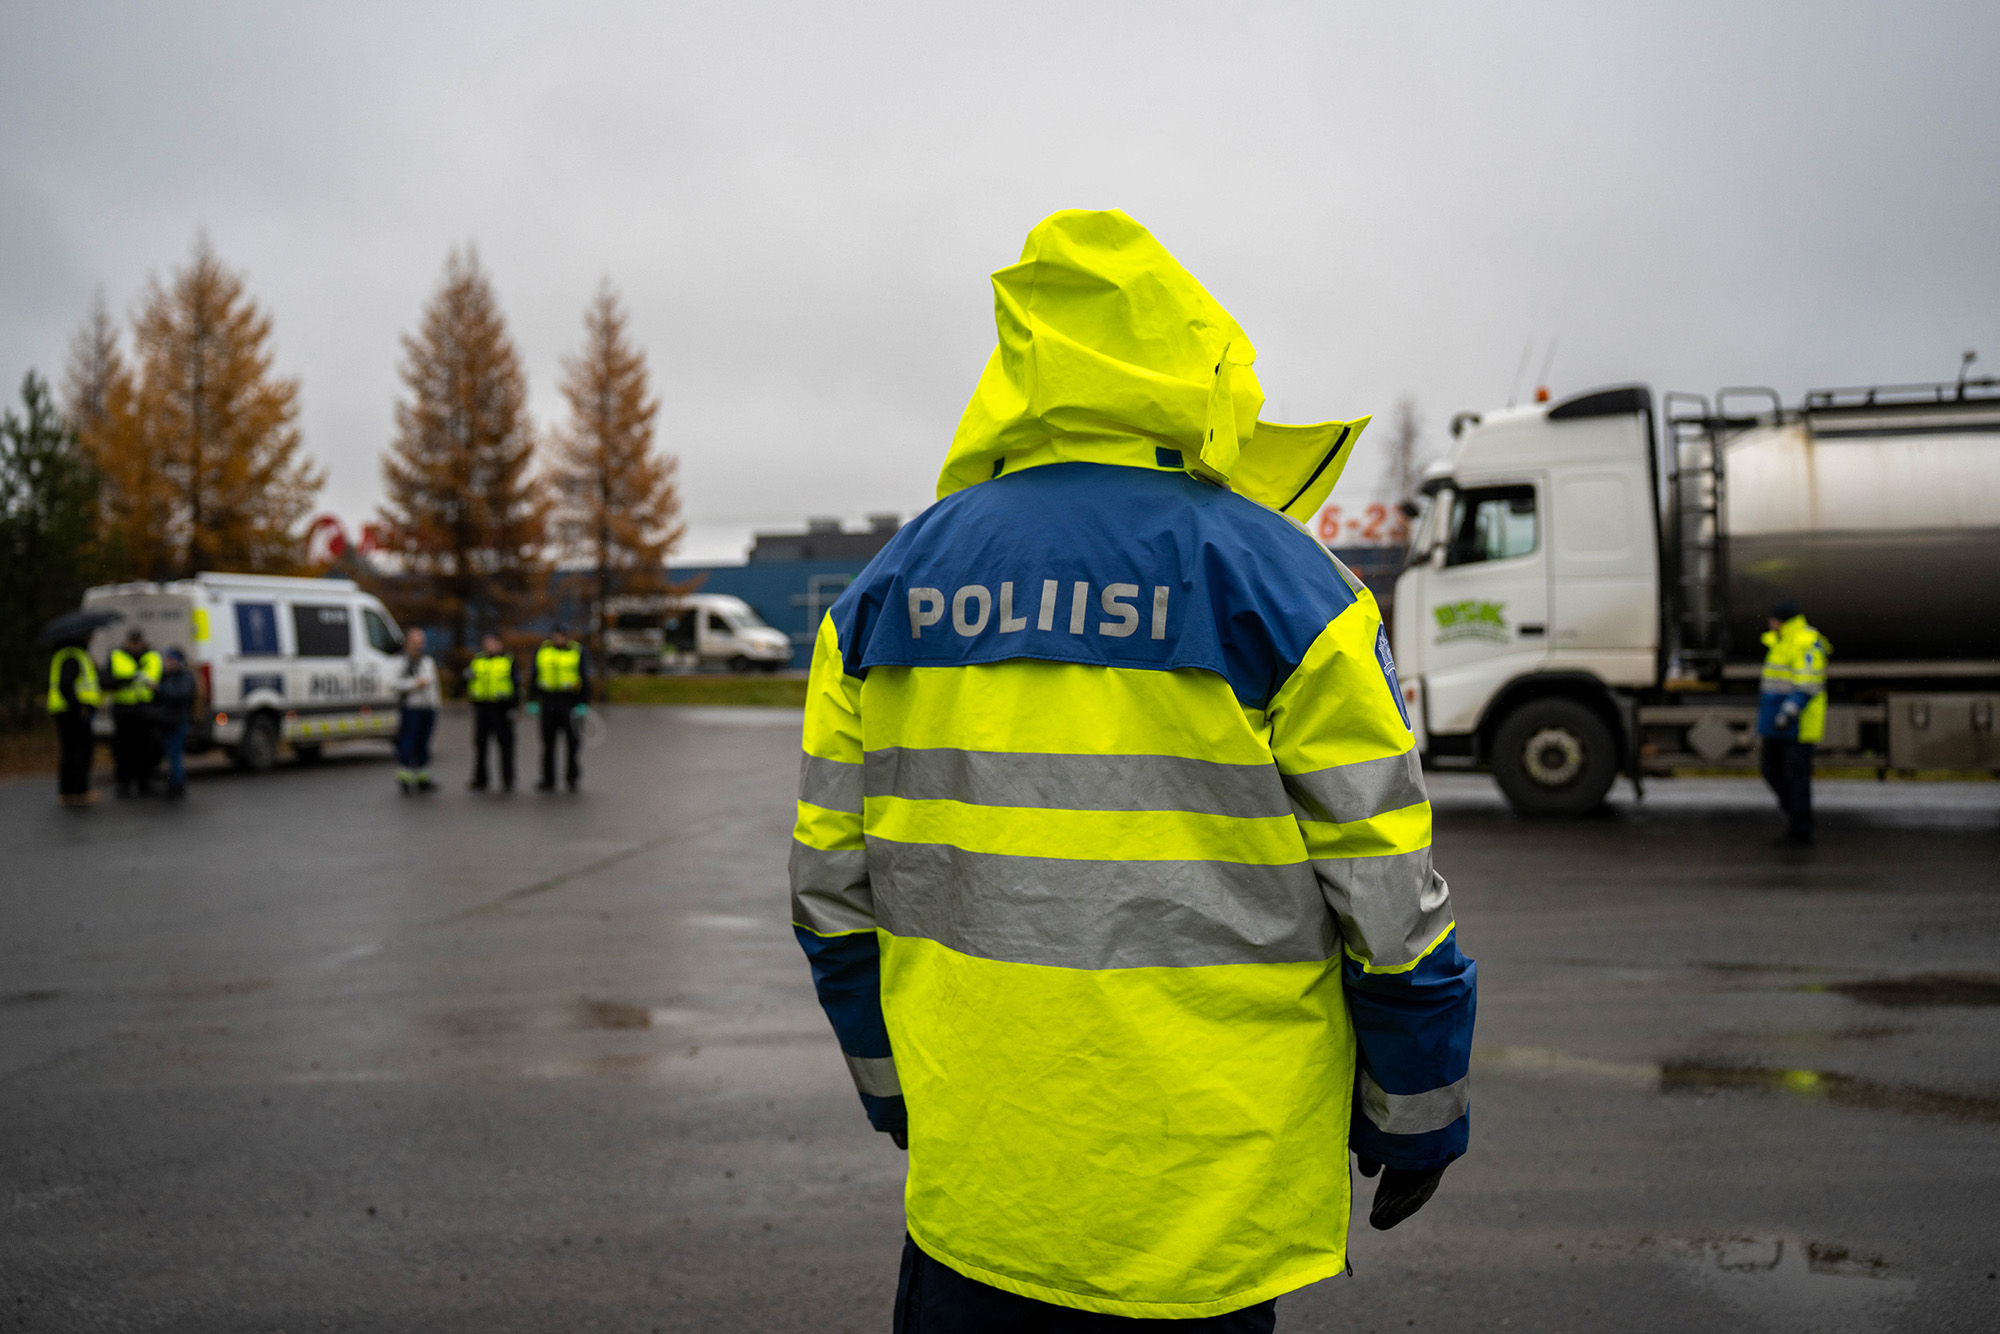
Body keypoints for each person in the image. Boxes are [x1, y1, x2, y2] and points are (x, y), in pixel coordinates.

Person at [790, 211, 1477, 1329]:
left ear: (1021, 376)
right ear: (1195, 366)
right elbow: (1386, 891)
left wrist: (895, 1092)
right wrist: (1415, 1106)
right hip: (1196, 1207)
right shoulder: (1289, 584)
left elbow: (829, 890)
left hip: (979, 1194)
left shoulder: (882, 592)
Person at [1757, 597, 1831, 845]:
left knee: (1795, 776)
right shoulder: (1782, 641)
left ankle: (1800, 828)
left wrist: (1789, 711)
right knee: (1772, 769)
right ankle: (1797, 818)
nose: (1770, 623)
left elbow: (1808, 683)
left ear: (1782, 620)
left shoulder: (1804, 642)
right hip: (1779, 724)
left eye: (1773, 619)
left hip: (1796, 724)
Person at [530, 626, 590, 793]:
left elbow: (584, 677)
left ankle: (572, 778)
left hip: (569, 701)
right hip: (549, 701)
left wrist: (583, 702)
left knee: (573, 743)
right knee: (548, 743)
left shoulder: (576, 651)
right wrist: (532, 699)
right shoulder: (543, 652)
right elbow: (535, 675)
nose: (560, 639)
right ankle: (548, 779)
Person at [106, 629, 161, 797]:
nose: (135, 646)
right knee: (123, 750)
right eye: (132, 642)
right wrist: (127, 680)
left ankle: (145, 783)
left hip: (146, 710)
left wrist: (154, 687)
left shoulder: (153, 657)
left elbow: (163, 680)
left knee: (146, 749)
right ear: (126, 642)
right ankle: (123, 784)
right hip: (124, 710)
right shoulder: (116, 656)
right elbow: (104, 681)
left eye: (138, 643)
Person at [47, 637, 101, 807]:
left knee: (70, 751)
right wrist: (79, 707)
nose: (91, 638)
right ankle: (79, 791)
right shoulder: (73, 656)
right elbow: (65, 685)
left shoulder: (66, 654)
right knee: (80, 752)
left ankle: (68, 791)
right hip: (72, 713)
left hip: (66, 712)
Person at [466, 632, 519, 793]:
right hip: (483, 708)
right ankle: (480, 779)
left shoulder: (507, 660)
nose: (489, 646)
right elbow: (471, 682)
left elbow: (516, 685)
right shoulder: (478, 660)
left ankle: (508, 779)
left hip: (502, 709)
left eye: (492, 643)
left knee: (506, 746)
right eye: (486, 643)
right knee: (480, 746)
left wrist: (514, 707)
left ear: (499, 644)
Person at [394, 627, 440, 795]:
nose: (419, 645)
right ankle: (405, 779)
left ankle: (422, 778)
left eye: (421, 642)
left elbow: (435, 685)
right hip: (411, 708)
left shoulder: (427, 661)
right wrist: (414, 684)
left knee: (423, 743)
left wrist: (436, 704)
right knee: (408, 742)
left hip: (428, 708)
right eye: (416, 642)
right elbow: (394, 685)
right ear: (408, 643)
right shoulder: (401, 662)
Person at [153, 648, 196, 800]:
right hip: (166, 720)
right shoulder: (168, 676)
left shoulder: (184, 676)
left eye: (171, 660)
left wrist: (160, 688)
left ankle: (177, 786)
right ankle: (172, 784)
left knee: (175, 755)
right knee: (170, 755)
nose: (168, 663)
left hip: (177, 720)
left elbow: (181, 693)